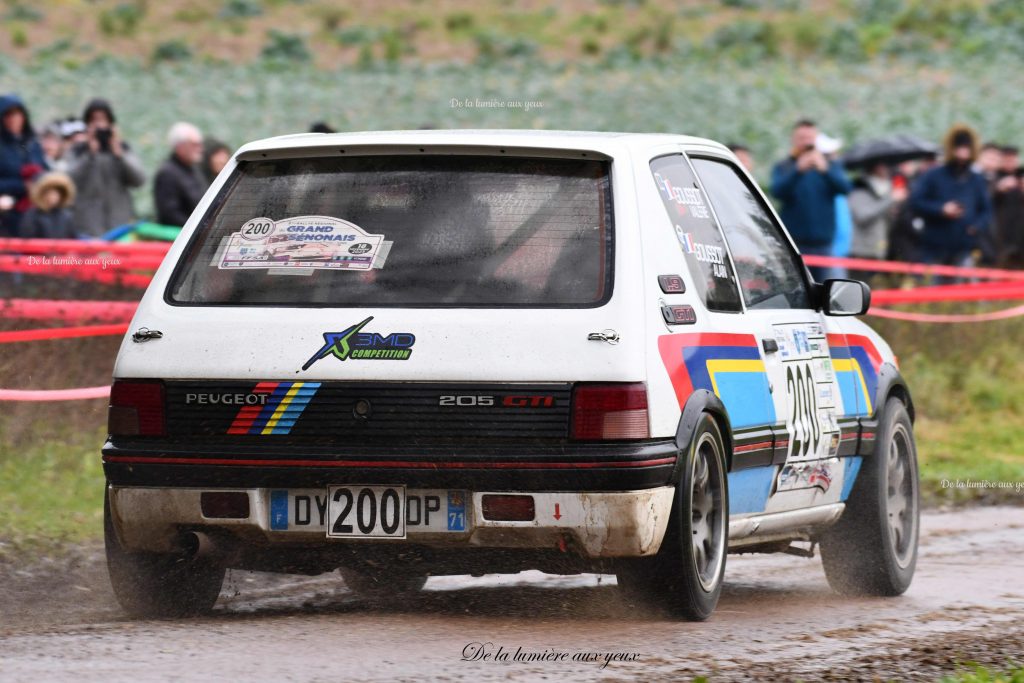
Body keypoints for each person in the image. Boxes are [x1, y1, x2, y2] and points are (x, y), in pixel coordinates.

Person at [770, 119, 852, 281]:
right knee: (796, 285)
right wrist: (797, 171)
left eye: (810, 138)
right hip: (794, 241)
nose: (807, 142)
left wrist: (825, 170)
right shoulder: (785, 166)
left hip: (823, 242)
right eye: (802, 138)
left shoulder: (829, 164)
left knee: (822, 288)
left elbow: (845, 188)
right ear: (794, 140)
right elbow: (777, 192)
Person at [908, 124, 992, 275]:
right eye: (959, 147)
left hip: (964, 245)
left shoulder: (976, 179)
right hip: (934, 245)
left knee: (960, 292)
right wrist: (941, 209)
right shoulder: (933, 175)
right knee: (932, 290)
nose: (962, 152)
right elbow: (915, 202)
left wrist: (976, 227)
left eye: (966, 148)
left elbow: (986, 210)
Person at [65, 99, 147, 237]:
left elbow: (139, 180)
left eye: (103, 120)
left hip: (121, 227)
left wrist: (120, 156)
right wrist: (89, 155)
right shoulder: (78, 151)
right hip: (88, 230)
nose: (99, 125)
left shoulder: (122, 149)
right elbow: (68, 181)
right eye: (94, 120)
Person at [848, 162, 908, 280]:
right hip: (861, 251)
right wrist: (891, 199)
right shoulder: (859, 190)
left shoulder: (884, 191)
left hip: (879, 250)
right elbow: (863, 216)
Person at [0, 93, 48, 236]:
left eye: (17, 114)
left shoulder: (32, 144)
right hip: (8, 214)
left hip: (37, 212)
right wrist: (22, 186)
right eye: (8, 115)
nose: (14, 119)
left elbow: (45, 170)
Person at [153, 122, 205, 227]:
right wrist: (196, 228)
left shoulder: (194, 169)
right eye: (194, 144)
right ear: (180, 147)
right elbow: (169, 213)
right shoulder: (167, 173)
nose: (200, 149)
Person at [19, 171, 76, 239]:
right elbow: (27, 239)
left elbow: (72, 237)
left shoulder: (66, 216)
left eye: (57, 193)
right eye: (50, 193)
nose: (53, 196)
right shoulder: (32, 215)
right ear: (42, 194)